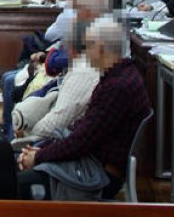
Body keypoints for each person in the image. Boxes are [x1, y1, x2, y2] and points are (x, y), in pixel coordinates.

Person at [17, 16, 150, 200]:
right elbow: (81, 130)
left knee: (14, 183)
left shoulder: (117, 87)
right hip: (91, 161)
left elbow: (81, 141)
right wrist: (41, 151)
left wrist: (38, 157)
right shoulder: (118, 75)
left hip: (97, 175)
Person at [11, 0, 110, 143]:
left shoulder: (85, 70)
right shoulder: (89, 56)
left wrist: (27, 134)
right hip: (62, 134)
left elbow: (56, 123)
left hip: (63, 143)